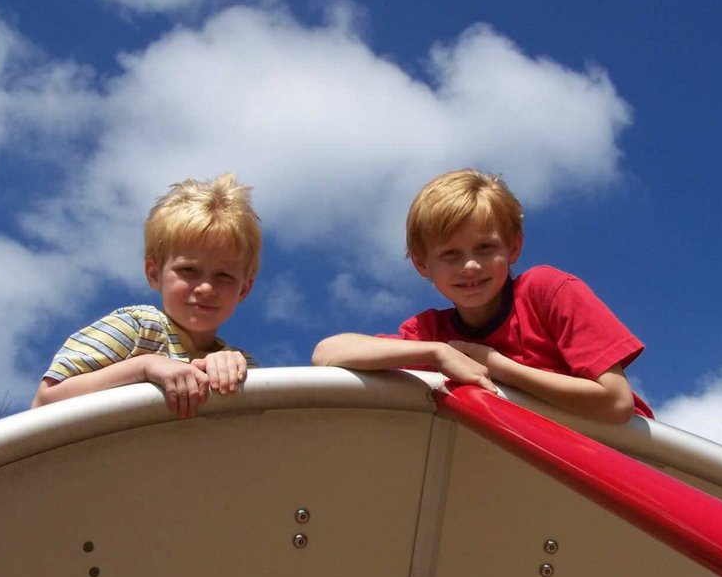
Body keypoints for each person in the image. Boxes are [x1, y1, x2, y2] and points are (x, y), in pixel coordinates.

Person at [312, 168, 652, 423]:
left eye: (485, 248)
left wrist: (492, 364)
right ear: (421, 264)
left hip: (626, 467)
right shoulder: (433, 334)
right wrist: (438, 353)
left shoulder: (546, 291)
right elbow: (327, 352)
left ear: (514, 246)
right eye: (450, 255)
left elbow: (615, 403)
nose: (471, 266)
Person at [33, 174, 260, 417]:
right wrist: (143, 367)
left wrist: (229, 378)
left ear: (244, 289)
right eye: (188, 270)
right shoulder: (138, 329)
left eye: (224, 276)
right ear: (154, 273)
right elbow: (45, 402)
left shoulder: (241, 365)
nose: (206, 287)